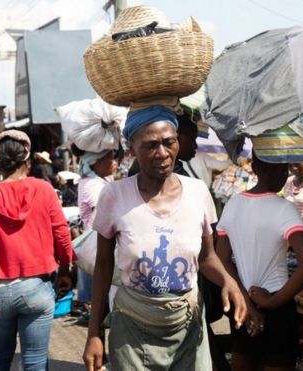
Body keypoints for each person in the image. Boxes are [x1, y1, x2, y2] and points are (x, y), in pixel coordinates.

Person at [82, 105, 247, 371]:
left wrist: (229, 281)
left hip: (187, 326)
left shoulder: (197, 192)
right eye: (150, 146)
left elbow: (207, 258)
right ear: (132, 149)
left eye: (169, 142)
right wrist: (94, 333)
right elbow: (103, 266)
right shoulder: (115, 195)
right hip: (132, 329)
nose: (162, 154)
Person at [0, 130, 74, 371]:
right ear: (27, 161)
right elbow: (62, 235)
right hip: (37, 289)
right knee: (35, 362)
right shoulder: (44, 189)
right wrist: (66, 270)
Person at [216, 153, 303, 371]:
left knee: (243, 363)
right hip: (277, 305)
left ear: (255, 168)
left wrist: (248, 304)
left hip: (242, 305)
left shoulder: (233, 204)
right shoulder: (284, 208)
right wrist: (270, 303)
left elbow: (221, 261)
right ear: (279, 170)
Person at [75, 147, 119, 318]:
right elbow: (105, 209)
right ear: (96, 162)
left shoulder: (100, 181)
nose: (114, 163)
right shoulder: (93, 184)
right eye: (110, 159)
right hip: (96, 242)